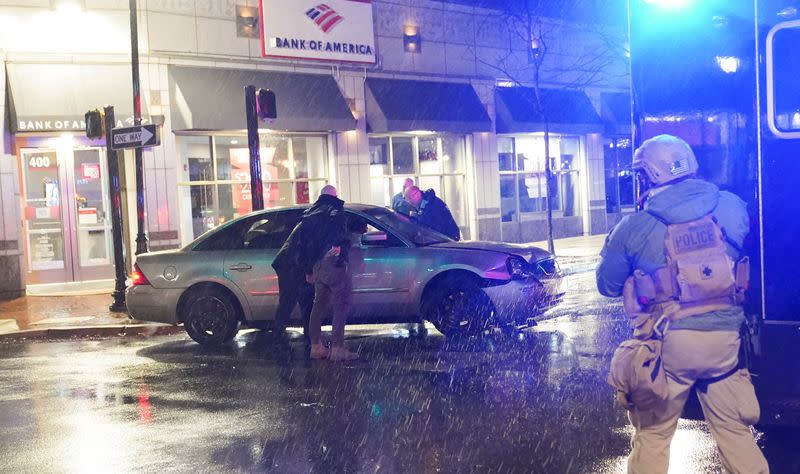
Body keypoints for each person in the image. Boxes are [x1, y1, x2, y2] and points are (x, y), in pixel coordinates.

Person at [596, 135, 768, 474]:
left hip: (668, 346)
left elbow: (607, 284)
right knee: (735, 431)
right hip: (725, 345)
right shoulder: (730, 206)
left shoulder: (635, 226)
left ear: (649, 177)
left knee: (654, 436)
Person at [304, 185, 359, 361]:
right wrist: (339, 248)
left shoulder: (310, 213)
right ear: (334, 196)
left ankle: (316, 346)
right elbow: (340, 234)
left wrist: (309, 268)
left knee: (318, 305)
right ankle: (337, 348)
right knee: (341, 304)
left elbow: (305, 243)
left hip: (317, 264)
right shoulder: (336, 211)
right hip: (333, 263)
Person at [270, 213, 315, 341]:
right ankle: (279, 336)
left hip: (289, 264)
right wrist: (309, 272)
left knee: (296, 301)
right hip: (291, 265)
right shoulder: (311, 226)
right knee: (295, 300)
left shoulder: (308, 222)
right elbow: (302, 251)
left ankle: (281, 335)